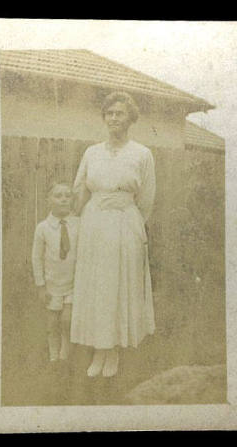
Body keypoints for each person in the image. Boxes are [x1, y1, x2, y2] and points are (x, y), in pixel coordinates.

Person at [70, 91, 156, 377]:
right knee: (96, 286)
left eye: (120, 113)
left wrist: (130, 225)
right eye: (109, 113)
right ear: (104, 118)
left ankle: (114, 350)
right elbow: (80, 189)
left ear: (130, 118)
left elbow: (146, 200)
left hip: (125, 224)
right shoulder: (91, 152)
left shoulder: (142, 154)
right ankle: (98, 350)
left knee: (119, 286)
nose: (114, 118)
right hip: (94, 224)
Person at [32, 183, 79, 362]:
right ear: (48, 201)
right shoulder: (43, 228)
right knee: (52, 322)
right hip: (52, 284)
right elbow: (36, 258)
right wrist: (41, 286)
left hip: (72, 283)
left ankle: (65, 351)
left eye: (67, 195)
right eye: (58, 195)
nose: (64, 199)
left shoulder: (78, 223)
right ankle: (53, 352)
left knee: (66, 320)